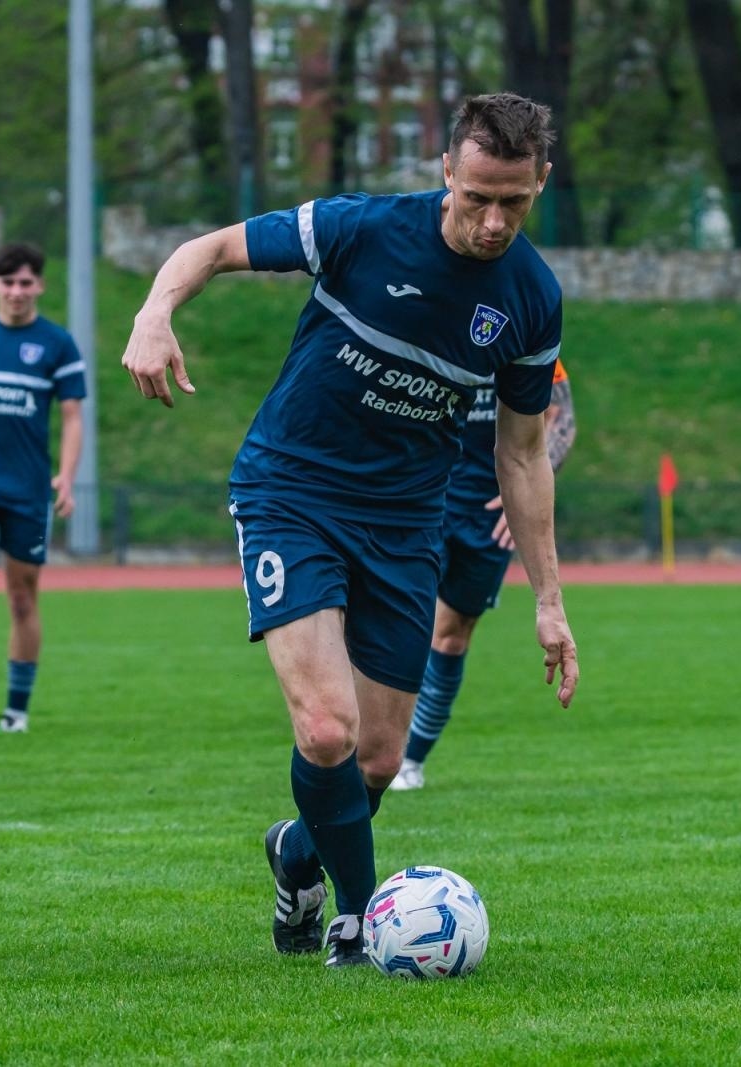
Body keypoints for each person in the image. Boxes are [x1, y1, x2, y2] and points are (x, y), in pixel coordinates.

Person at [121, 92, 579, 968]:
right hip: (292, 491)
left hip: (407, 524)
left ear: (542, 183)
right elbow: (210, 248)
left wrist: (549, 599)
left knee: (374, 759)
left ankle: (297, 858)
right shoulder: (362, 228)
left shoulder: (531, 297)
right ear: (446, 172)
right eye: (477, 196)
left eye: (514, 202)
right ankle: (362, 923)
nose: (493, 221)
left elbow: (522, 455)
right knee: (327, 729)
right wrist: (154, 314)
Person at [390, 360, 576, 791]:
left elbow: (562, 416)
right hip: (420, 497)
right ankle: (367, 747)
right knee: (397, 622)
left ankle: (411, 761)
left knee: (452, 635)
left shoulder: (521, 337)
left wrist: (524, 496)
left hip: (488, 513)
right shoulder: (426, 331)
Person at [0, 242, 86, 734]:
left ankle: (17, 711)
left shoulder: (57, 343)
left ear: (39, 285)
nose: (17, 291)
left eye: (26, 282)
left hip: (27, 487)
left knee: (22, 598)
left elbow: (72, 417)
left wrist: (66, 476)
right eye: (8, 282)